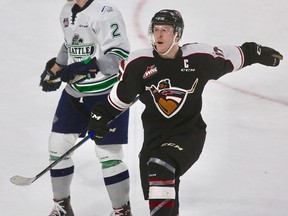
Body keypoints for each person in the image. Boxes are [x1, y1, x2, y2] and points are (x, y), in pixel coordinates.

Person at [86, 9, 283, 216]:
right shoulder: (139, 64)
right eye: (156, 30)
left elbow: (232, 56)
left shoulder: (199, 58)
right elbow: (118, 100)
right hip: (154, 140)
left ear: (177, 35)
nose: (159, 35)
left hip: (188, 134)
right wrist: (101, 117)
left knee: (160, 166)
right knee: (162, 189)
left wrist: (256, 52)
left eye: (165, 30)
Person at [39, 0, 132, 215]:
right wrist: (55, 69)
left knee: (109, 154)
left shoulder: (105, 13)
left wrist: (87, 67)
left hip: (106, 95)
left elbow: (119, 57)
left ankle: (122, 211)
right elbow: (68, 43)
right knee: (57, 145)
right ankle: (62, 206)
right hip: (74, 93)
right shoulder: (66, 10)